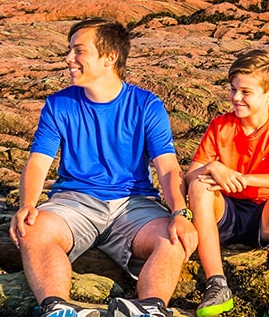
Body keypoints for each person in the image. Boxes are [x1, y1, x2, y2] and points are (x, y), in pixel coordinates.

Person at [12, 19, 197, 317]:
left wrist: (180, 213)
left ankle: (150, 309)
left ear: (109, 58)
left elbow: (167, 167)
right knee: (32, 230)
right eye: (69, 50)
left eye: (78, 51)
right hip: (74, 202)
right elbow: (38, 161)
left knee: (173, 238)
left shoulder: (146, 105)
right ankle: (56, 308)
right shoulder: (59, 104)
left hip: (134, 205)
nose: (68, 58)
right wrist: (28, 204)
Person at [184, 50, 269, 317]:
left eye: (245, 92)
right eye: (233, 89)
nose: (236, 97)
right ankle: (217, 284)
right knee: (199, 186)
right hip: (225, 213)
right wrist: (211, 167)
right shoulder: (220, 126)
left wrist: (245, 179)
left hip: (261, 218)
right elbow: (190, 177)